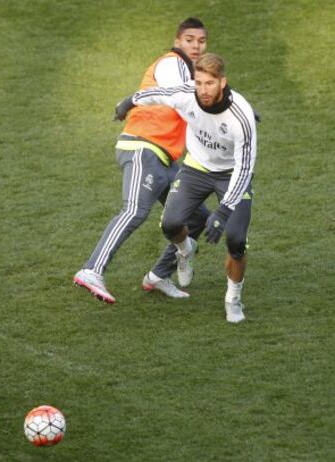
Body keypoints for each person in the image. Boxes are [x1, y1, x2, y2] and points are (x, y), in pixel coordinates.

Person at [74, 18, 209, 303]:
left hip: (167, 160)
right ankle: (91, 270)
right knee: (134, 210)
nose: (196, 46)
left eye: (201, 41)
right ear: (177, 41)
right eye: (190, 39)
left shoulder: (192, 73)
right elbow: (179, 97)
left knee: (197, 216)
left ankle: (160, 275)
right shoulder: (172, 63)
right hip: (143, 148)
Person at [115, 53, 257, 323]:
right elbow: (158, 93)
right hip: (197, 169)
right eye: (199, 82)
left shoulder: (241, 116)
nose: (203, 90)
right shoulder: (187, 93)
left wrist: (224, 212)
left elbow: (244, 168)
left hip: (231, 175)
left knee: (236, 241)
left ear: (223, 83)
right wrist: (128, 102)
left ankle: (233, 299)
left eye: (210, 84)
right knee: (170, 224)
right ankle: (185, 250)